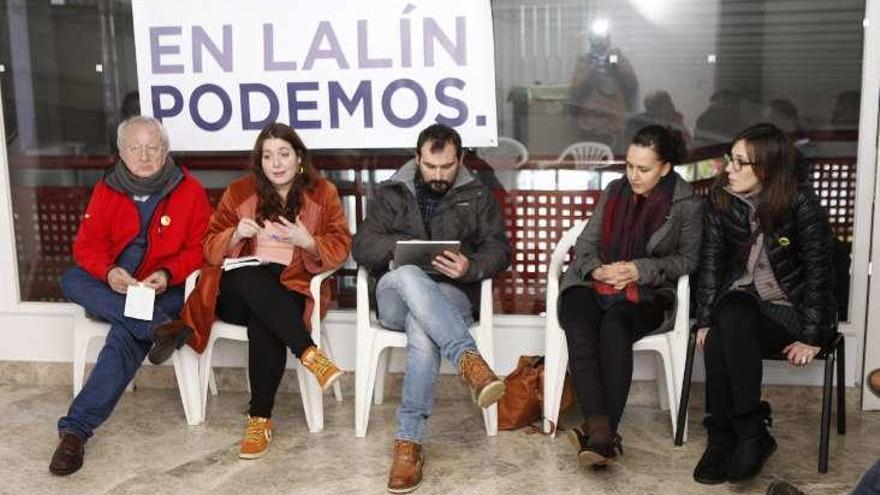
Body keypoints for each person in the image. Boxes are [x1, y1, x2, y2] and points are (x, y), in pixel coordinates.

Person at [352, 123, 511, 493]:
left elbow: (499, 250)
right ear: (417, 158)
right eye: (430, 166)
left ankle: (408, 445)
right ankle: (470, 362)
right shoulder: (392, 191)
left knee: (422, 327)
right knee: (409, 274)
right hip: (394, 296)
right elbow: (361, 246)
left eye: (447, 166)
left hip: (450, 294)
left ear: (460, 159)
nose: (439, 175)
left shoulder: (478, 193)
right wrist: (399, 247)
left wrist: (469, 267)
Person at [50, 116, 212, 476]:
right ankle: (158, 328)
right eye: (134, 148)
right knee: (72, 279)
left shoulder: (190, 191)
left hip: (163, 291)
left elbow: (202, 249)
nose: (143, 156)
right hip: (118, 288)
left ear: (165, 150)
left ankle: (75, 431)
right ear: (121, 152)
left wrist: (167, 273)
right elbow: (86, 246)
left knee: (125, 335)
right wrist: (109, 273)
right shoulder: (108, 188)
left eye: (151, 148)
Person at [180, 122, 351, 460]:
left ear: (299, 157)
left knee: (266, 321)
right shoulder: (239, 191)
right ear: (259, 161)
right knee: (253, 277)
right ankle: (309, 353)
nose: (276, 163)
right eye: (268, 156)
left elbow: (342, 246)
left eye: (284, 154)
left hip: (290, 285)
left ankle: (259, 419)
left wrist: (308, 242)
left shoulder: (322, 192)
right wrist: (234, 236)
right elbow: (209, 248)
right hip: (236, 292)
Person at [693, 123, 836, 485]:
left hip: (788, 312)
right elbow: (710, 264)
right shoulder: (721, 199)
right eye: (731, 160)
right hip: (738, 308)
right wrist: (705, 320)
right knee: (728, 318)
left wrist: (812, 334)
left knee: (729, 323)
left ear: (767, 169)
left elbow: (821, 272)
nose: (730, 169)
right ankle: (745, 434)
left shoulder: (800, 202)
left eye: (741, 163)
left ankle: (727, 435)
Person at [557, 125, 702, 466]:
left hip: (647, 294)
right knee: (577, 318)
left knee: (615, 326)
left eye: (644, 169)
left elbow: (688, 260)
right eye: (629, 166)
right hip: (598, 284)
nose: (633, 176)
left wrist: (639, 270)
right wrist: (596, 270)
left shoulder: (686, 204)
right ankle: (602, 434)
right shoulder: (613, 191)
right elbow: (586, 245)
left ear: (665, 167)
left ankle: (599, 434)